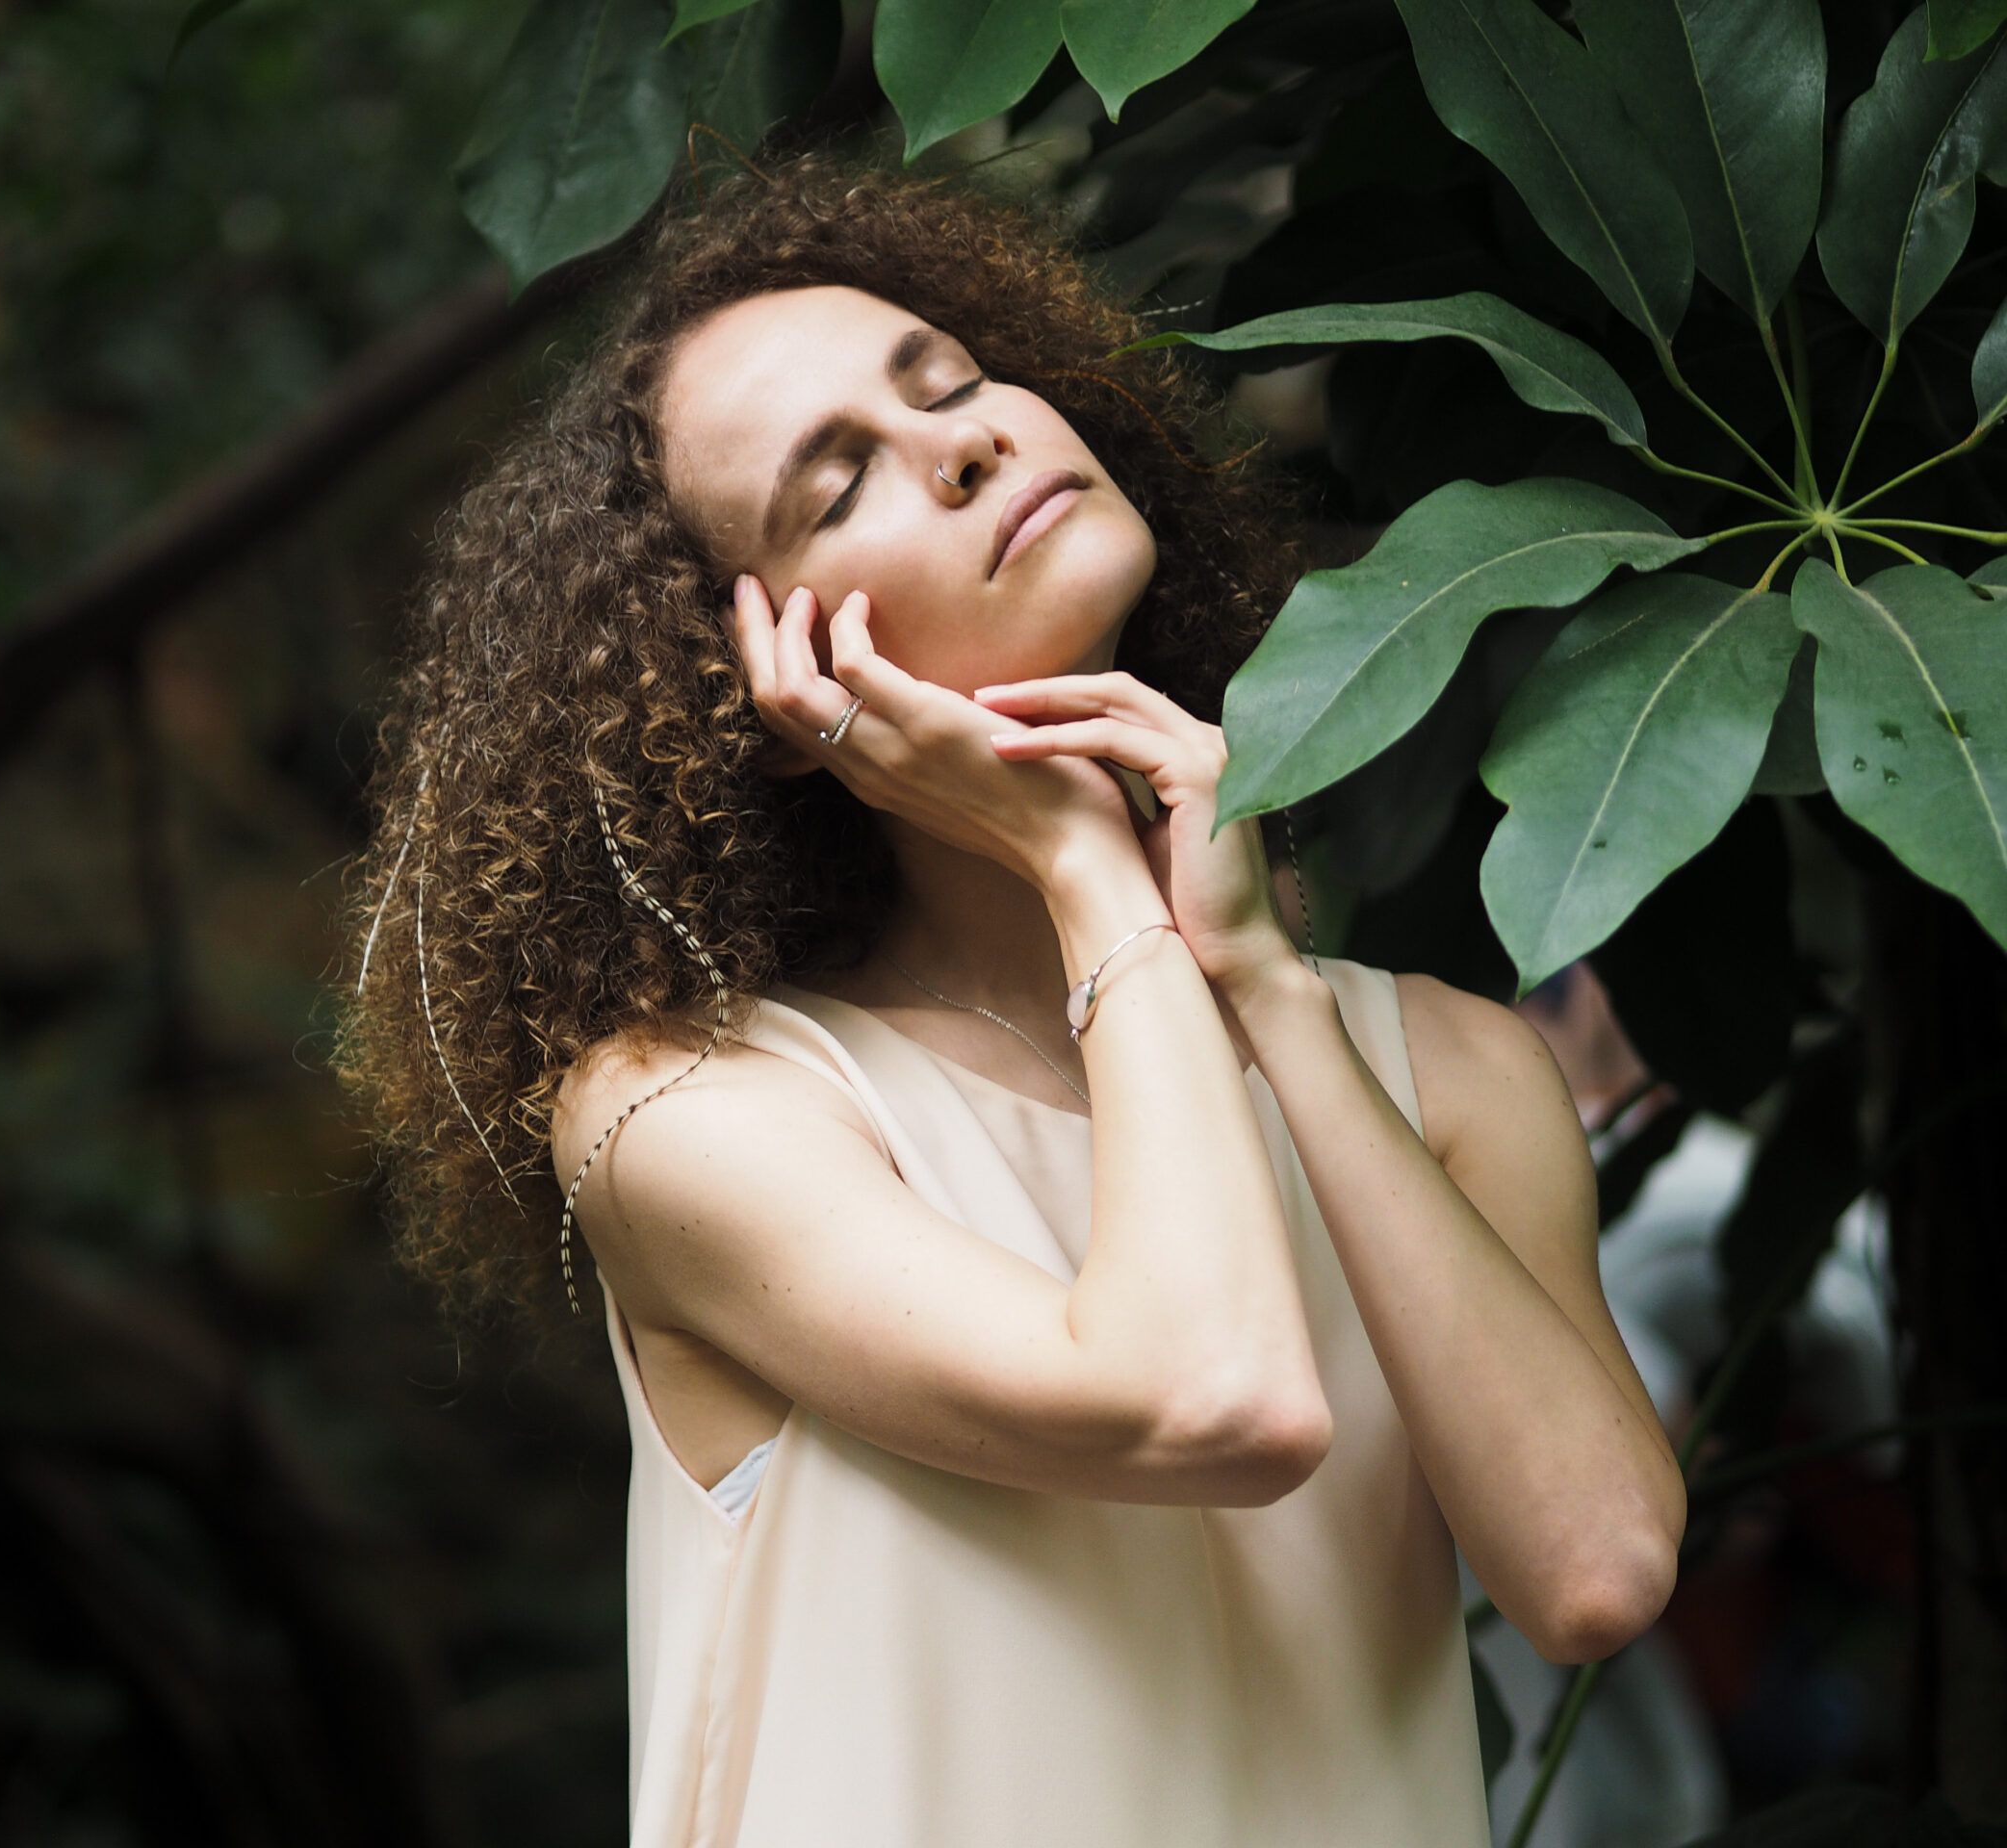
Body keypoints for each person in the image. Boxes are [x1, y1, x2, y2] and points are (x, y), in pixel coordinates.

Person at [330, 139, 1686, 1847]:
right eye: (841, 486)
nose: (966, 443)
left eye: (954, 382)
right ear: (757, 681)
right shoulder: (696, 1116)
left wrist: (1265, 987)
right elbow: (1218, 1397)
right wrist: (1085, 869)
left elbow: (1598, 1570)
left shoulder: (1456, 1071)